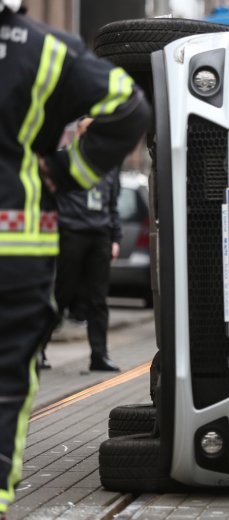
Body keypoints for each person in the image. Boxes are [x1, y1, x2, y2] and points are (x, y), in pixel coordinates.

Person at [0, 0, 151, 515]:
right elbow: (129, 108)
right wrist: (61, 174)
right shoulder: (44, 50)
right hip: (15, 249)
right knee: (7, 389)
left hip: (55, 243)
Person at [43, 120, 123, 371]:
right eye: (88, 131)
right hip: (70, 234)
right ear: (77, 133)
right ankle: (39, 350)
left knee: (98, 299)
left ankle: (99, 355)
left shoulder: (108, 164)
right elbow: (47, 200)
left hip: (99, 235)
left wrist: (115, 239)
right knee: (61, 294)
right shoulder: (62, 161)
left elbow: (112, 205)